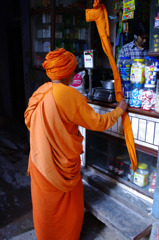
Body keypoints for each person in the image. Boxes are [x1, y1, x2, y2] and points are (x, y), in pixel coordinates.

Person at [24, 48, 128, 240]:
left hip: (39, 163)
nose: (75, 73)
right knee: (67, 211)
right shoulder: (70, 96)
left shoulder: (41, 91)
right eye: (73, 70)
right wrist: (119, 110)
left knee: (44, 209)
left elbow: (30, 121)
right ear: (66, 72)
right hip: (60, 170)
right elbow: (99, 122)